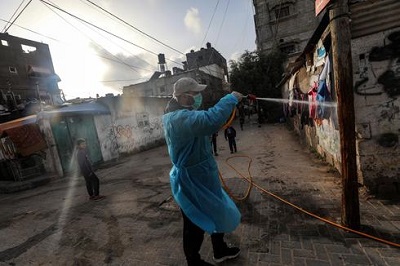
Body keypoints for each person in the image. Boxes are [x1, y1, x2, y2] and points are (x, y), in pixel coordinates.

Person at [162, 77, 243, 265]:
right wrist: (230, 99)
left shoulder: (185, 114)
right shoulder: (178, 118)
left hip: (203, 174)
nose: (198, 97)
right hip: (191, 180)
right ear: (183, 97)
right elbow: (210, 120)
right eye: (195, 93)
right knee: (193, 222)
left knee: (217, 210)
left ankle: (219, 249)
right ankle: (193, 260)